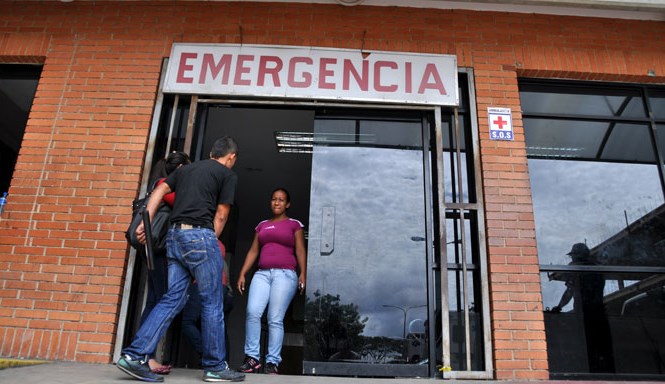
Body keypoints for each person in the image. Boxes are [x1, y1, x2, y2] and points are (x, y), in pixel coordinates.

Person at [116, 136, 245, 383]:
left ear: (210, 152)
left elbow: (160, 189)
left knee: (171, 298)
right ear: (231, 157)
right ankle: (215, 366)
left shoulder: (187, 169)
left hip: (174, 237)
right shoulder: (227, 174)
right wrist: (209, 240)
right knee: (212, 302)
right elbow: (221, 214)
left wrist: (147, 219)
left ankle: (134, 355)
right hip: (200, 236)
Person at [236, 188, 307, 375]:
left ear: (287, 204)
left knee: (275, 318)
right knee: (252, 312)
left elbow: (300, 250)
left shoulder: (295, 225)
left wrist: (303, 274)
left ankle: (272, 362)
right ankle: (252, 358)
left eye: (281, 200)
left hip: (285, 275)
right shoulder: (262, 225)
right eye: (274, 199)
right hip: (262, 274)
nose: (277, 202)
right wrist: (243, 272)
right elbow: (253, 251)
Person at [138, 151, 190, 375]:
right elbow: (184, 206)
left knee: (154, 300)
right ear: (180, 170)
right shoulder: (164, 186)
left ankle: (143, 355)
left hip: (156, 249)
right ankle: (143, 356)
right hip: (159, 249)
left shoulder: (159, 184)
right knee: (160, 301)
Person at [550, 242, 614, 372]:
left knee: (587, 346)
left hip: (585, 313)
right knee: (603, 348)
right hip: (600, 312)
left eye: (573, 256)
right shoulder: (598, 269)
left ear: (578, 256)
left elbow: (570, 291)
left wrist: (559, 307)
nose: (572, 259)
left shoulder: (577, 269)